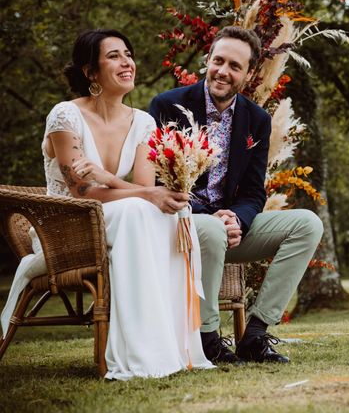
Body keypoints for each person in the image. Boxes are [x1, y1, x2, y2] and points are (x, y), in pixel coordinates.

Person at [0, 29, 212, 380]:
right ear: (90, 72)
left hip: (117, 216)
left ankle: (174, 347)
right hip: (65, 228)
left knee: (171, 214)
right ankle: (139, 354)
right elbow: (83, 193)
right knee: (137, 210)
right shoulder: (64, 116)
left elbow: (143, 189)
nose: (127, 62)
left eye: (128, 54)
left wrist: (108, 177)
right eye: (114, 55)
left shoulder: (143, 122)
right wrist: (134, 191)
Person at [149, 26, 323, 364]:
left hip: (229, 231)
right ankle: (207, 337)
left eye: (234, 66)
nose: (223, 72)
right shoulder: (167, 105)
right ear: (208, 60)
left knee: (308, 224)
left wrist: (236, 217)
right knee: (212, 228)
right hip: (178, 226)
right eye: (218, 61)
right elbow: (157, 181)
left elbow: (255, 191)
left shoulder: (257, 120)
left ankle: (255, 335)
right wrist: (210, 216)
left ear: (248, 73)